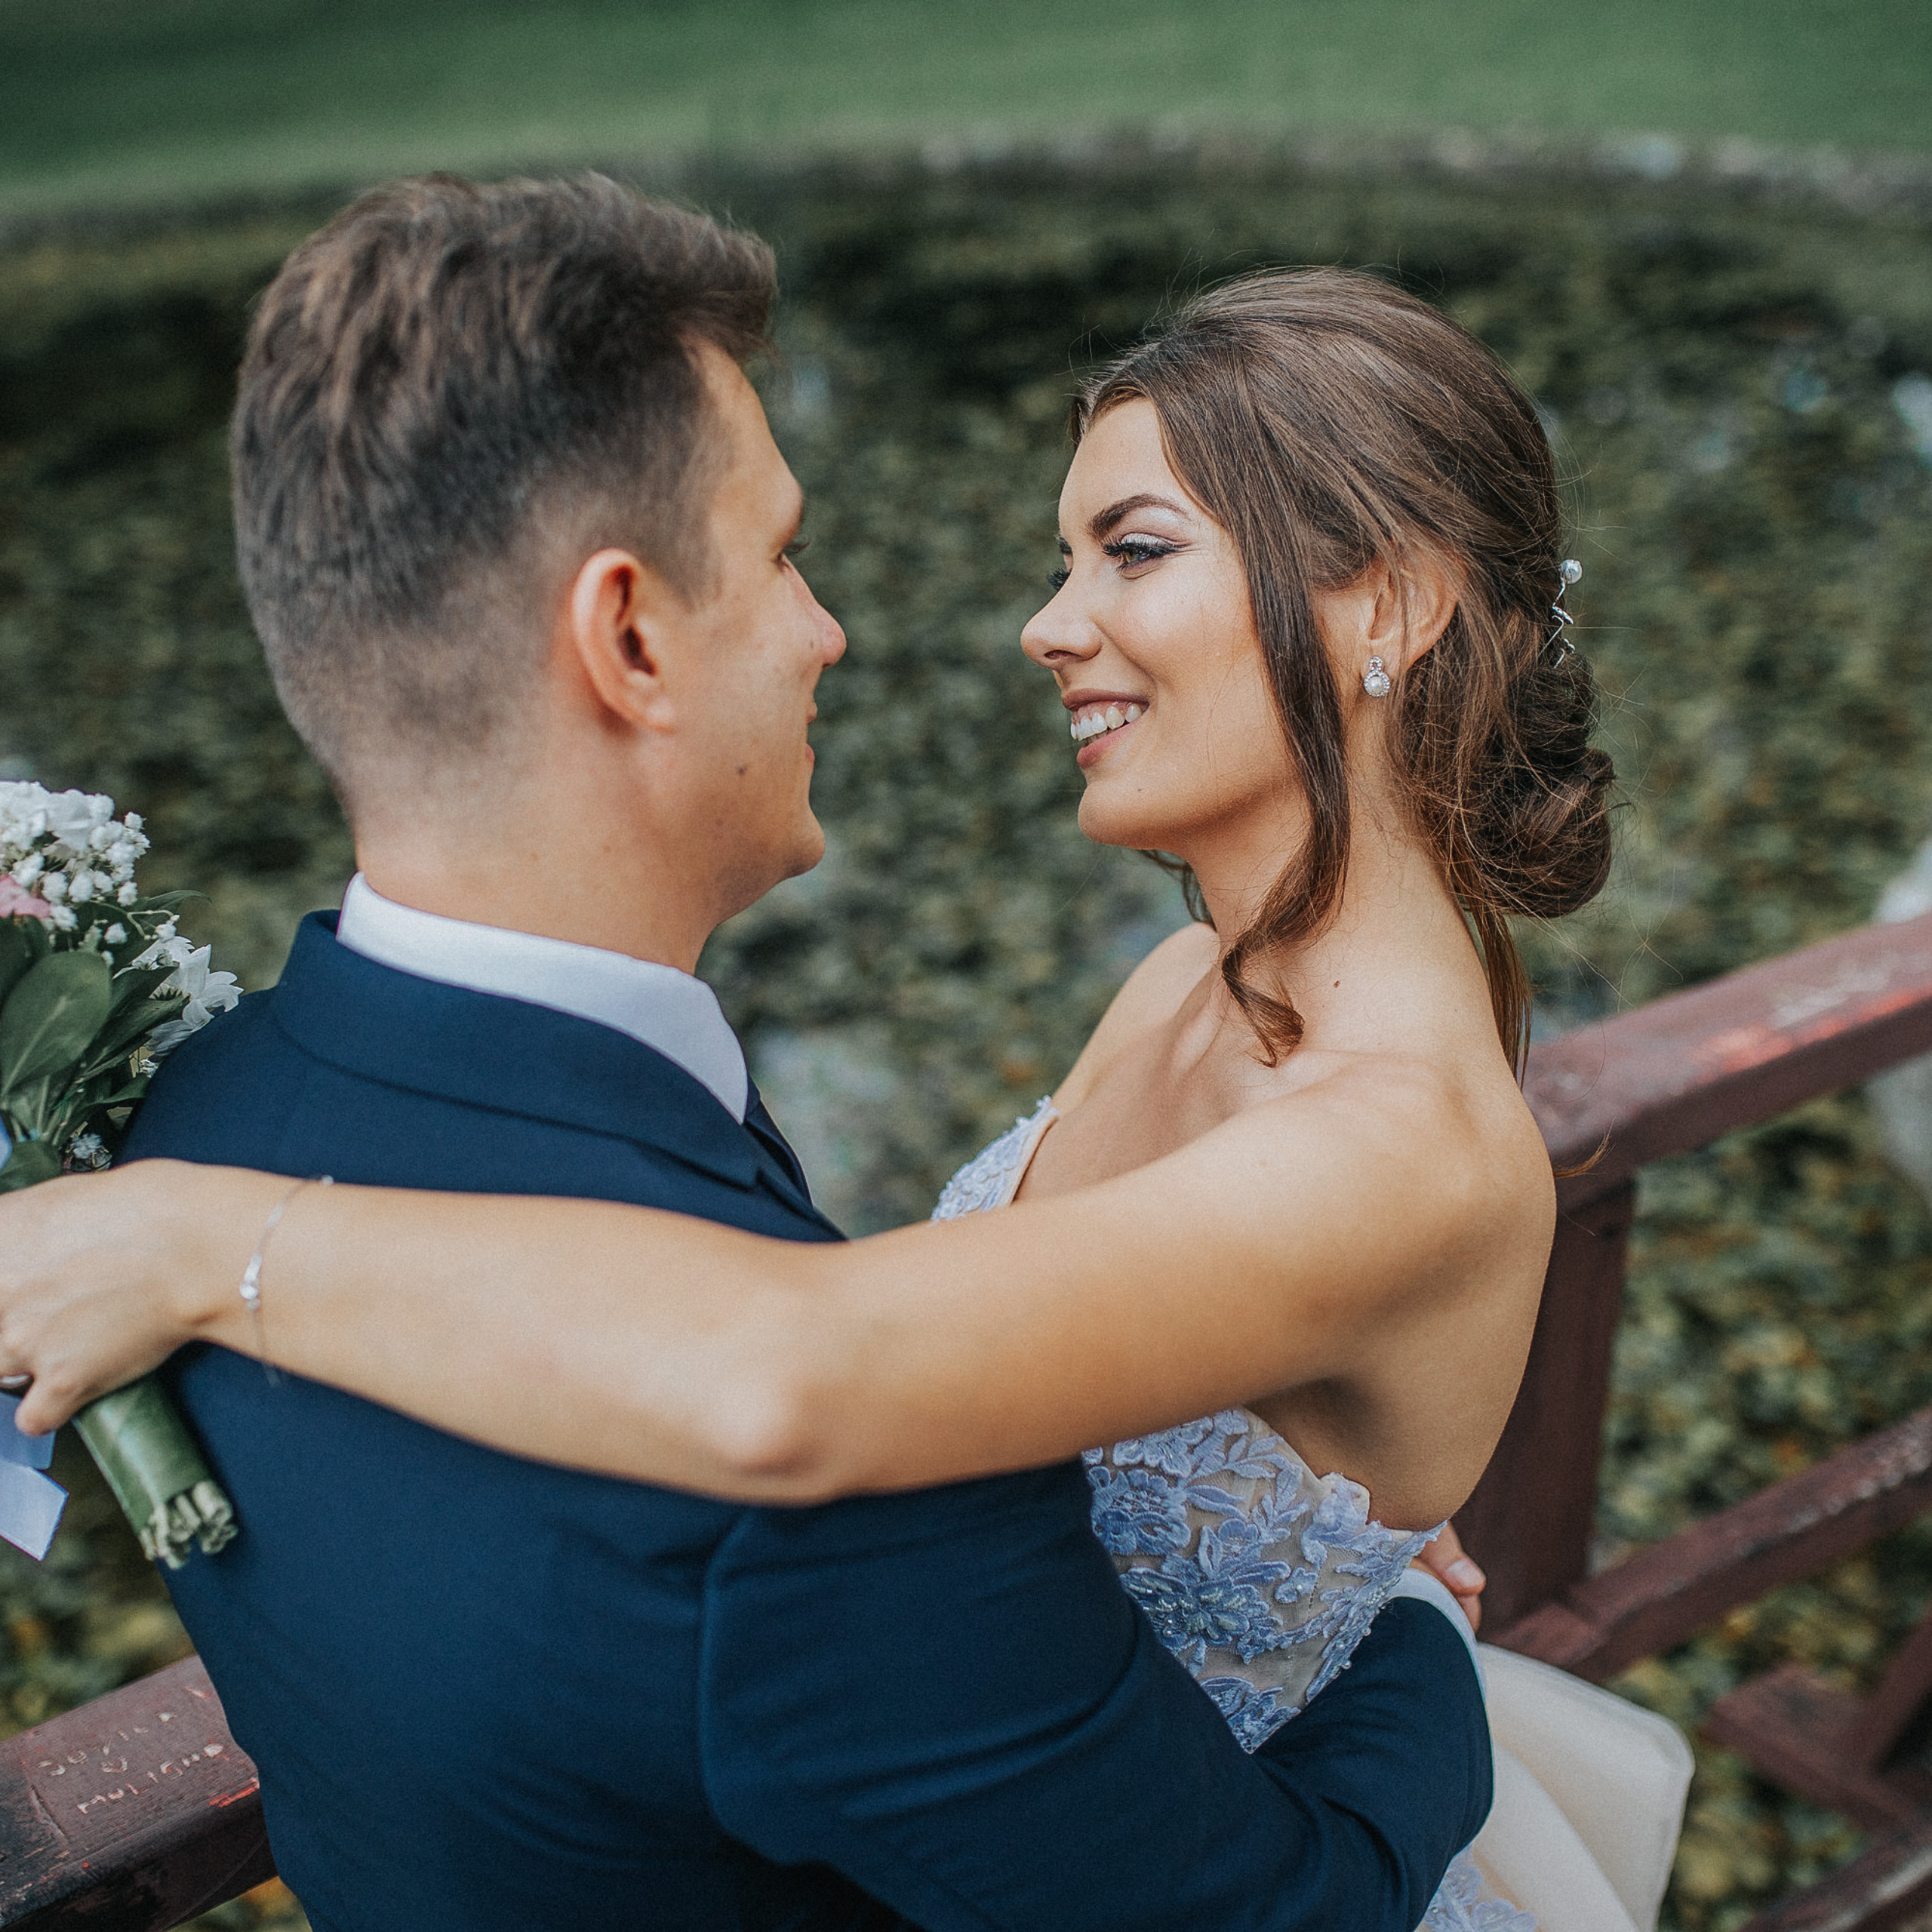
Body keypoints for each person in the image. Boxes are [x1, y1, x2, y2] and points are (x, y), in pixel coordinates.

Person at [0, 177, 1506, 1932]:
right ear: (631, 636)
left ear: (1385, 603)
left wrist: (200, 1232)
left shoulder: (208, 1105)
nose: (853, 627)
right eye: (787, 553)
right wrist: (1423, 1656)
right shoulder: (1152, 1009)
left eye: (1132, 547)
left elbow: (822, 1345)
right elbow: (806, 1377)